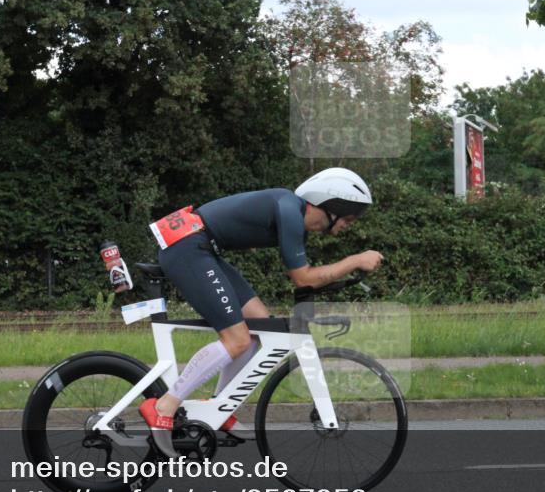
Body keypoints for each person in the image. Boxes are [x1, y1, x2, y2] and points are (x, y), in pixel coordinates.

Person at [138, 168, 383, 457]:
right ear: (333, 208)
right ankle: (165, 404)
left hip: (202, 247)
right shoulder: (289, 209)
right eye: (350, 218)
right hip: (188, 247)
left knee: (261, 330)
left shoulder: (293, 216)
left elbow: (305, 283)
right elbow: (303, 278)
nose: (349, 226)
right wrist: (355, 260)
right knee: (237, 339)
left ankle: (219, 405)